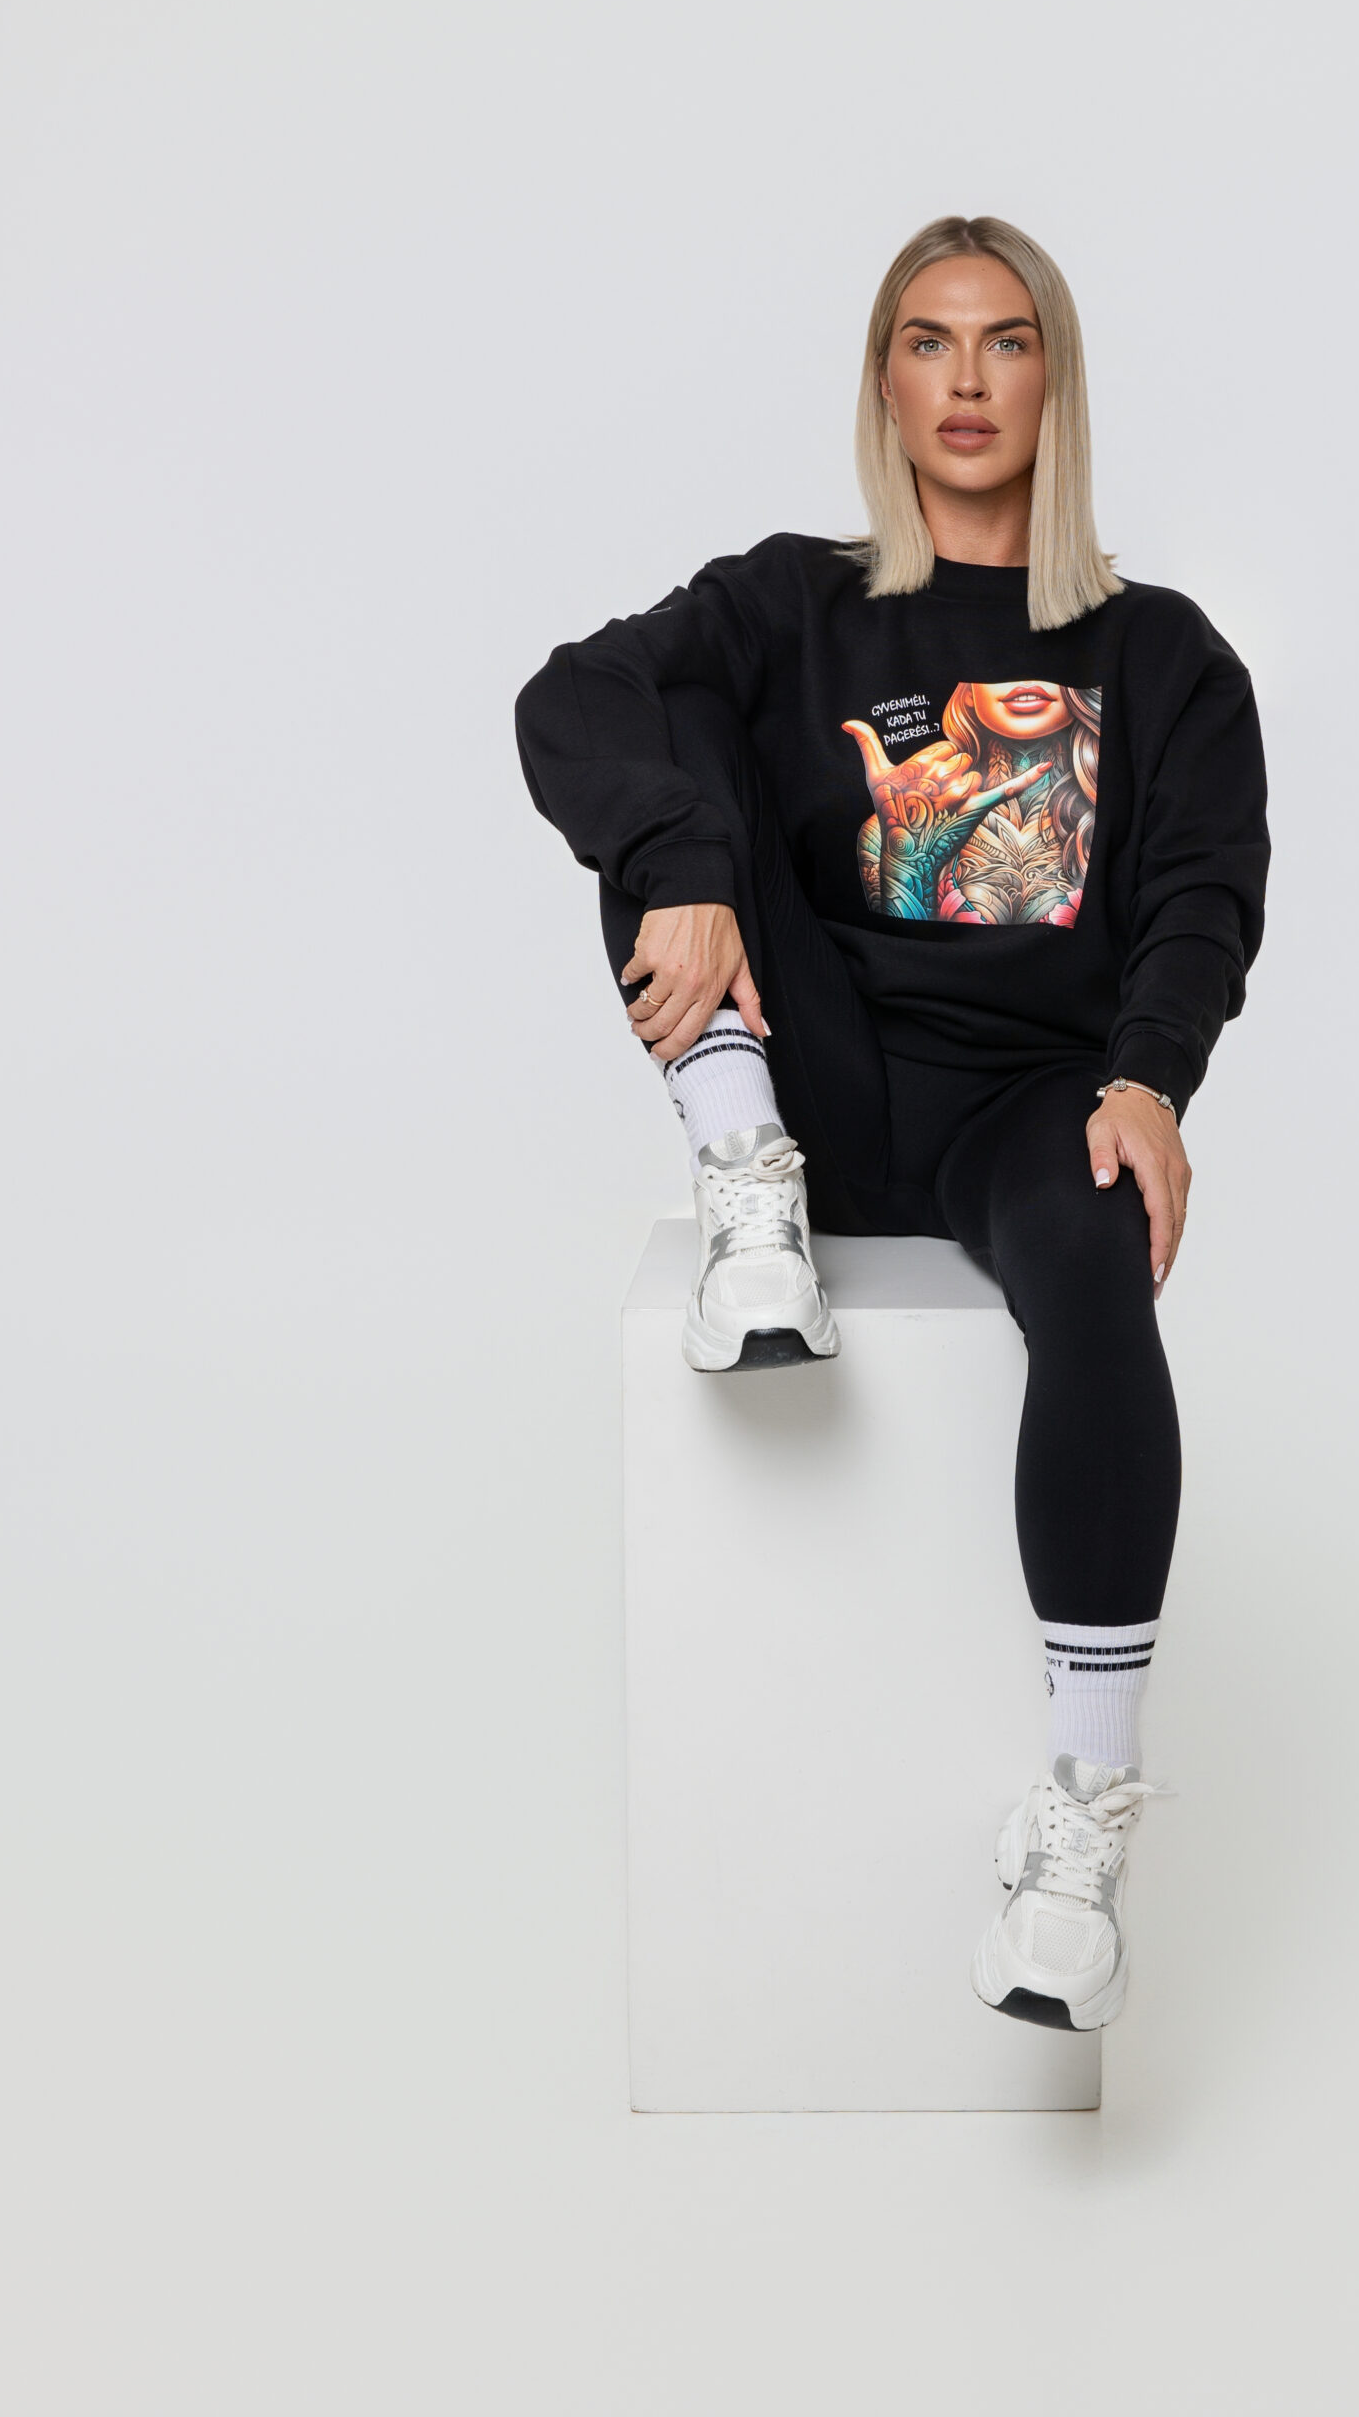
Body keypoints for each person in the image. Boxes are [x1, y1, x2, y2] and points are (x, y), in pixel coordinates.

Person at [515, 215, 1269, 2032]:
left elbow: (1201, 891)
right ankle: (742, 1186)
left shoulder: (1160, 653)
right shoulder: (800, 600)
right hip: (819, 1066)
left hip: (1031, 1101)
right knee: (664, 729)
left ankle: (1080, 1829)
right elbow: (567, 701)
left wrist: (1150, 1079)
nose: (967, 381)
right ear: (884, 383)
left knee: (1094, 1248)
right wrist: (687, 864)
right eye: (928, 344)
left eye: (1007, 343)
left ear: (1054, 380)